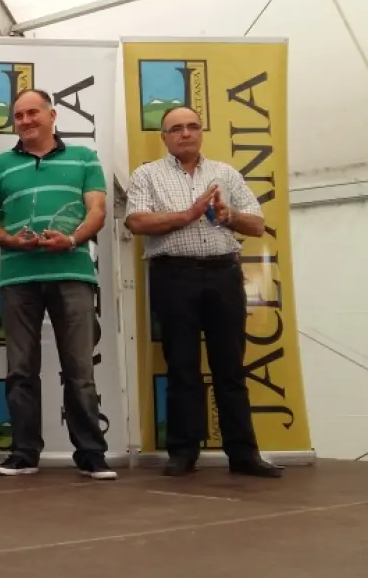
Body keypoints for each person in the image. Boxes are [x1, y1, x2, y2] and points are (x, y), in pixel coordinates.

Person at [124, 106, 281, 479]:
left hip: (223, 274)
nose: (186, 133)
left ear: (201, 132)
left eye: (192, 126)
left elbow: (257, 224)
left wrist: (228, 216)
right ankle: (183, 453)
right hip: (173, 275)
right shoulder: (146, 174)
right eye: (176, 128)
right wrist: (188, 214)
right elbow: (137, 221)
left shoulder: (225, 173)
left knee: (231, 367)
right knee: (182, 366)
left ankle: (243, 454)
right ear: (164, 137)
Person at [0, 88, 116, 480]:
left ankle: (91, 454)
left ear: (53, 115)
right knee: (20, 370)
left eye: (32, 112)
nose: (25, 121)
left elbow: (98, 210)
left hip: (72, 273)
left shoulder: (84, 157)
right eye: (18, 116)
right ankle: (24, 454)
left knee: (79, 370)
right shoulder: (0, 165)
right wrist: (9, 240)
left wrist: (71, 240)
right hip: (17, 277)